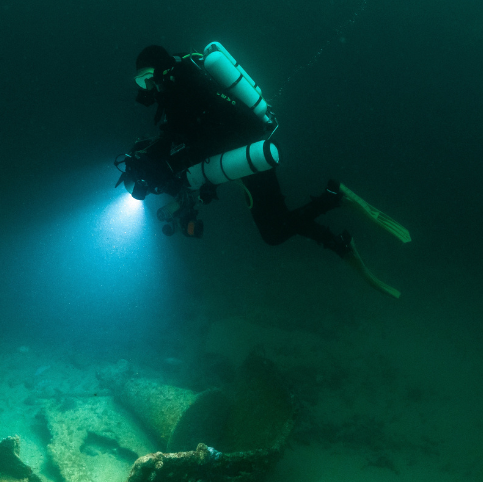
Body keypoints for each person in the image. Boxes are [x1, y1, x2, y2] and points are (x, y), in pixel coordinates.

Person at [119, 44, 409, 297]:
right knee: (278, 223)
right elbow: (189, 132)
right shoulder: (182, 78)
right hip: (242, 154)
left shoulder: (183, 86)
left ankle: (334, 200)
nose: (146, 88)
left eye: (146, 79)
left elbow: (209, 134)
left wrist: (176, 165)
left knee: (274, 231)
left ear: (159, 70)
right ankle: (337, 236)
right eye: (140, 82)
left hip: (247, 153)